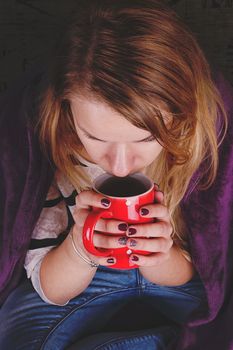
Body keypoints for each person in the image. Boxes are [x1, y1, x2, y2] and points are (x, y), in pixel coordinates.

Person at [0, 0, 233, 349]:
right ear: (66, 110)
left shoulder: (207, 129)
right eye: (94, 137)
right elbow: (50, 290)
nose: (120, 165)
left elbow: (204, 282)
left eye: (145, 138)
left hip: (179, 279)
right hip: (80, 279)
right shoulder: (48, 136)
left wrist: (160, 254)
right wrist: (81, 247)